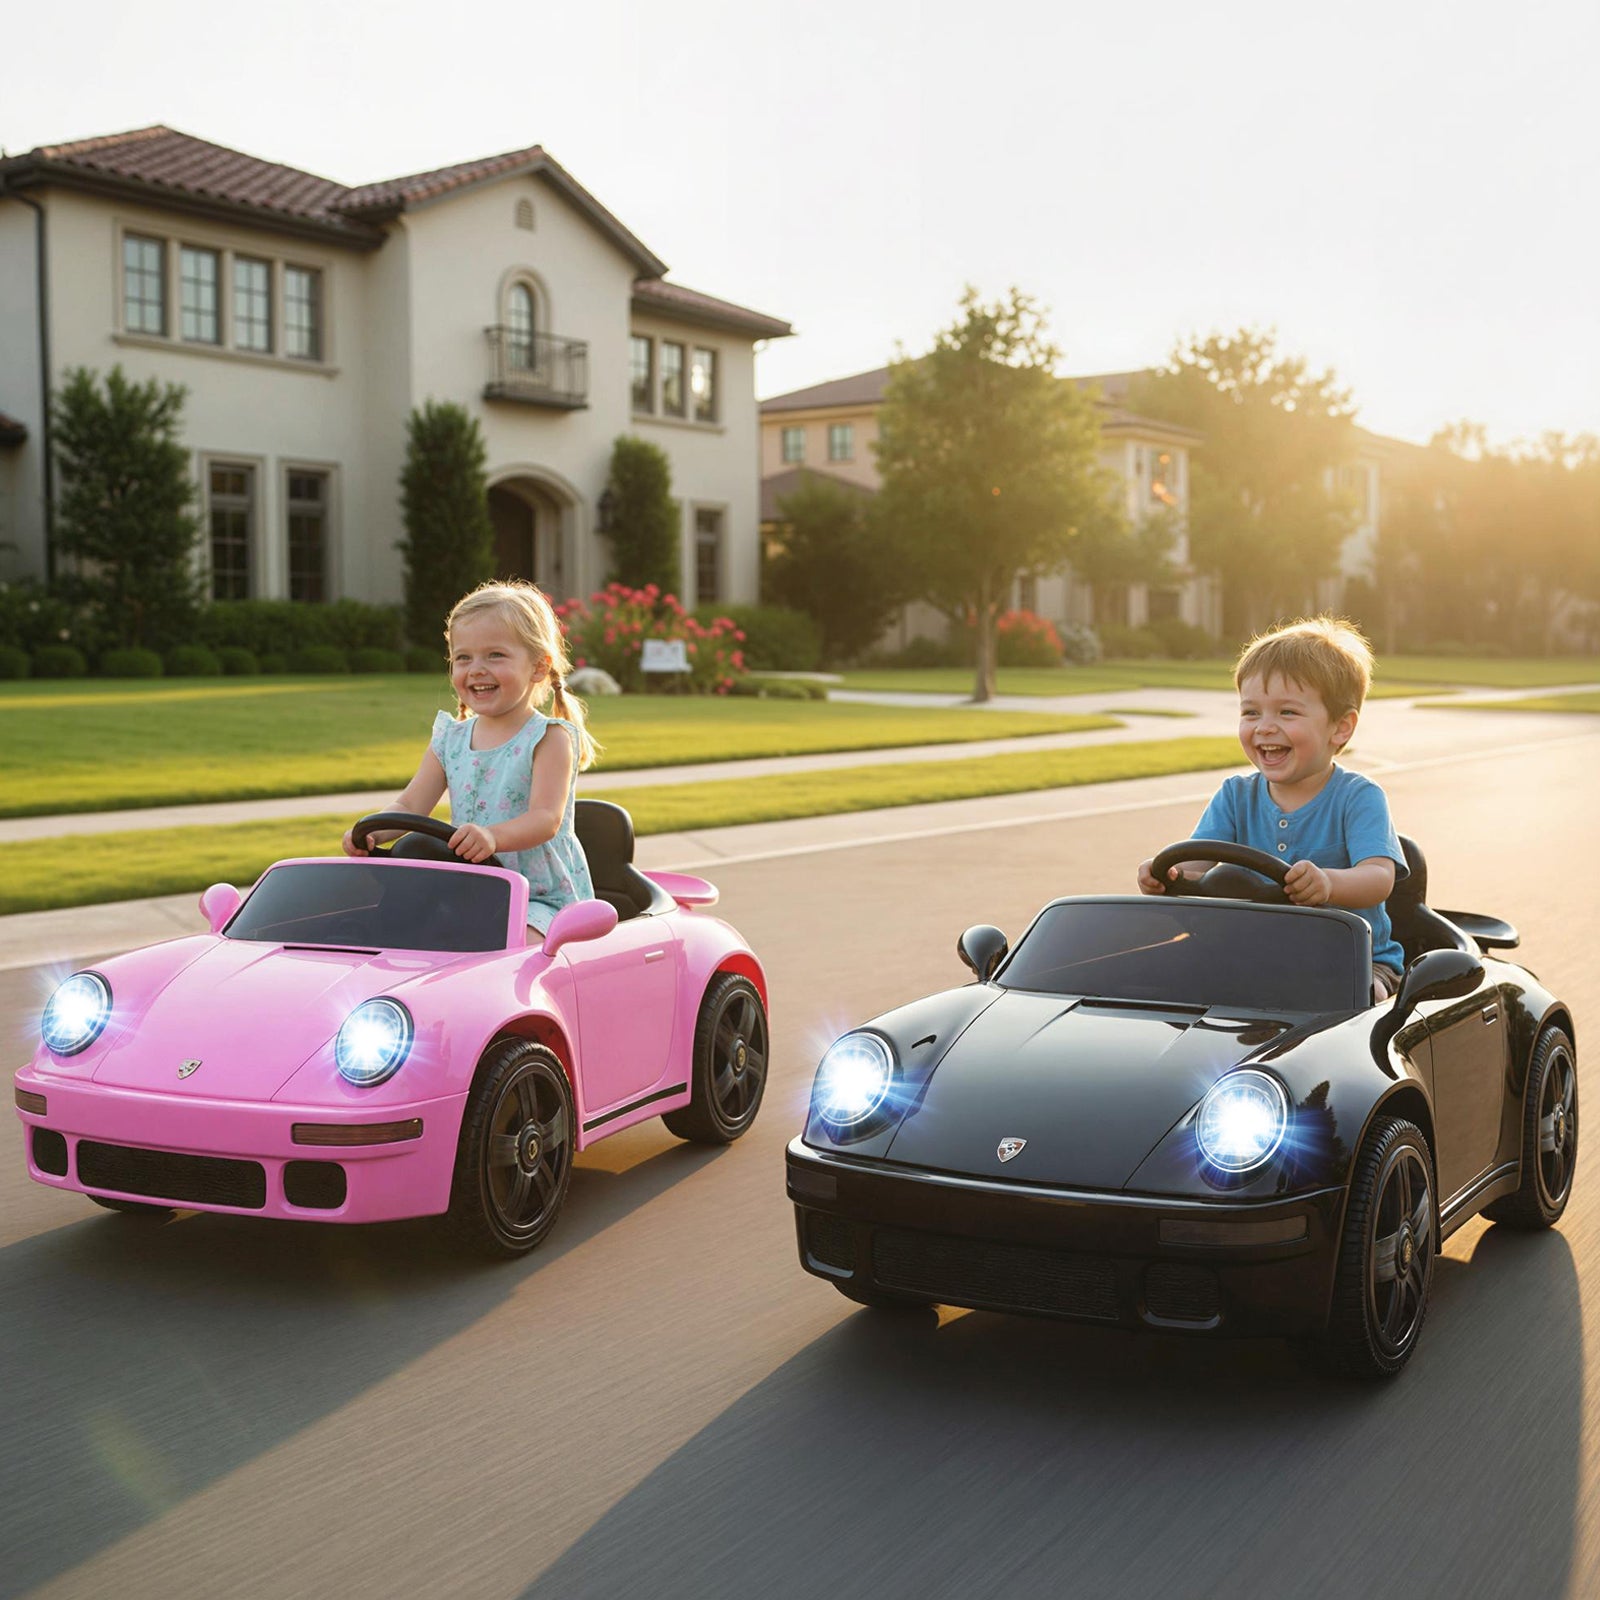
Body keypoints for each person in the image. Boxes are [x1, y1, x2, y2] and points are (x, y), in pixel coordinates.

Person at [1136, 616, 1407, 1003]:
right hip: (1251, 952)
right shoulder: (1235, 795)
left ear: (1340, 728)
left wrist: (1328, 884)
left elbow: (1378, 877)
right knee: (1153, 977)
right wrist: (1166, 872)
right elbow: (1196, 860)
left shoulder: (1357, 797)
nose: (1264, 727)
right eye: (1251, 712)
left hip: (1350, 957)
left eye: (1287, 712)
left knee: (1362, 997)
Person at [344, 580, 597, 934]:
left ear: (539, 667)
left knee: (509, 946)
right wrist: (372, 830)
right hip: (469, 887)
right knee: (388, 929)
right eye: (463, 657)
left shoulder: (549, 738)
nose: (476, 668)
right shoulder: (450, 739)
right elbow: (411, 805)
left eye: (495, 655)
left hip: (538, 899)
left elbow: (545, 819)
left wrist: (492, 836)